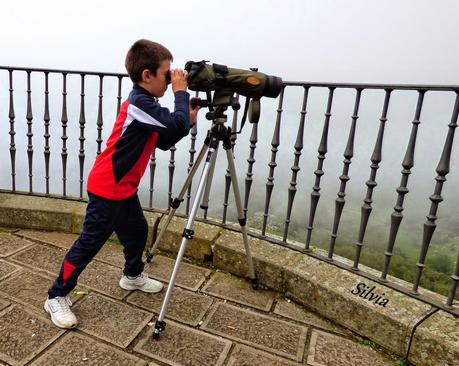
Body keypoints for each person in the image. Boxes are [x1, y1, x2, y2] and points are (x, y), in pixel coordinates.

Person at [44, 39, 199, 329]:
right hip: (107, 187)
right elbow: (171, 125)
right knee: (89, 243)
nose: (170, 80)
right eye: (167, 74)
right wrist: (181, 93)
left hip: (123, 187)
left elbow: (165, 139)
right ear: (147, 76)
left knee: (137, 231)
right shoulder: (139, 103)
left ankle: (131, 275)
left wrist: (187, 119)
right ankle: (56, 295)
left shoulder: (148, 106)